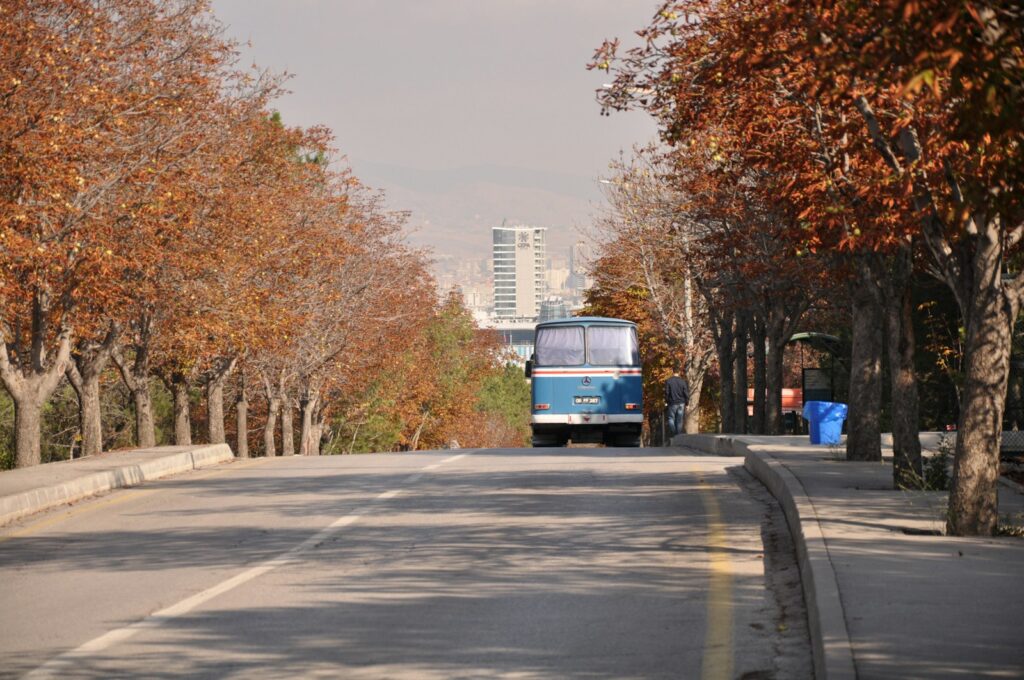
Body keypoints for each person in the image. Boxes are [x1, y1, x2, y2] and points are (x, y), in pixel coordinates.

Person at [665, 367, 690, 436]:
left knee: (671, 418)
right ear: (679, 372)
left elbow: (667, 392)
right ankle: (678, 434)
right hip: (681, 403)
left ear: (672, 371)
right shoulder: (683, 381)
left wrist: (666, 401)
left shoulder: (668, 381)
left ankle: (674, 432)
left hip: (672, 403)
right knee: (679, 420)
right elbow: (686, 393)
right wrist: (687, 403)